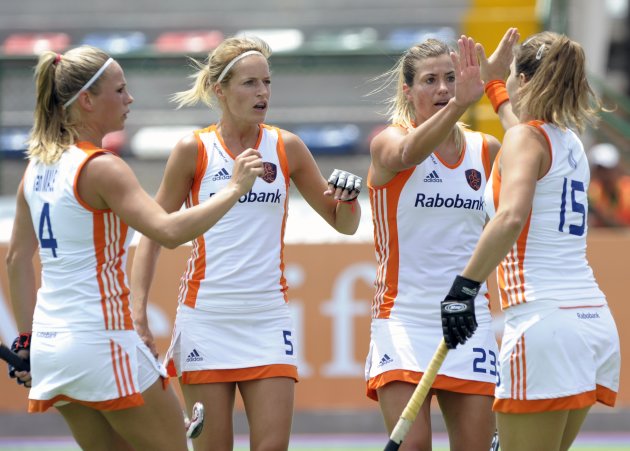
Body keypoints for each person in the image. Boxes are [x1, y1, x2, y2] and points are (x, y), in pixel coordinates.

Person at [5, 45, 270, 451]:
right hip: (101, 341)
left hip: (51, 349)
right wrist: (234, 189)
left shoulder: (36, 166)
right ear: (87, 101)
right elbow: (166, 231)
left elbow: (17, 259)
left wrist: (25, 341)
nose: (130, 99)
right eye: (120, 90)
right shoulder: (102, 167)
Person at [129, 35, 362, 451]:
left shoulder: (286, 146)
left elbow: (343, 224)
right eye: (250, 83)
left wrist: (348, 200)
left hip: (267, 319)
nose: (263, 93)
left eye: (267, 82)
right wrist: (138, 312)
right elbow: (152, 232)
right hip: (206, 319)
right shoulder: (193, 150)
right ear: (220, 90)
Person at [442, 31, 621, 451]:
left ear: (524, 80)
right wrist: (493, 85)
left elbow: (510, 218)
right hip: (591, 323)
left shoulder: (527, 140)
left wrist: (463, 289)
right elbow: (520, 134)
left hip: (543, 324)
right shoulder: (569, 142)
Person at [364, 34, 508, 451]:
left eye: (451, 77)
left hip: (467, 320)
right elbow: (408, 153)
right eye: (430, 80)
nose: (443, 88)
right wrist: (464, 103)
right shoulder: (388, 141)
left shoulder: (486, 150)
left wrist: (500, 88)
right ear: (408, 92)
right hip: (403, 320)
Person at [586, 142, 630, 227]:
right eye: (599, 169)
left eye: (607, 169)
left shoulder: (628, 189)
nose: (604, 174)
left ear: (616, 168)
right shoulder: (593, 190)